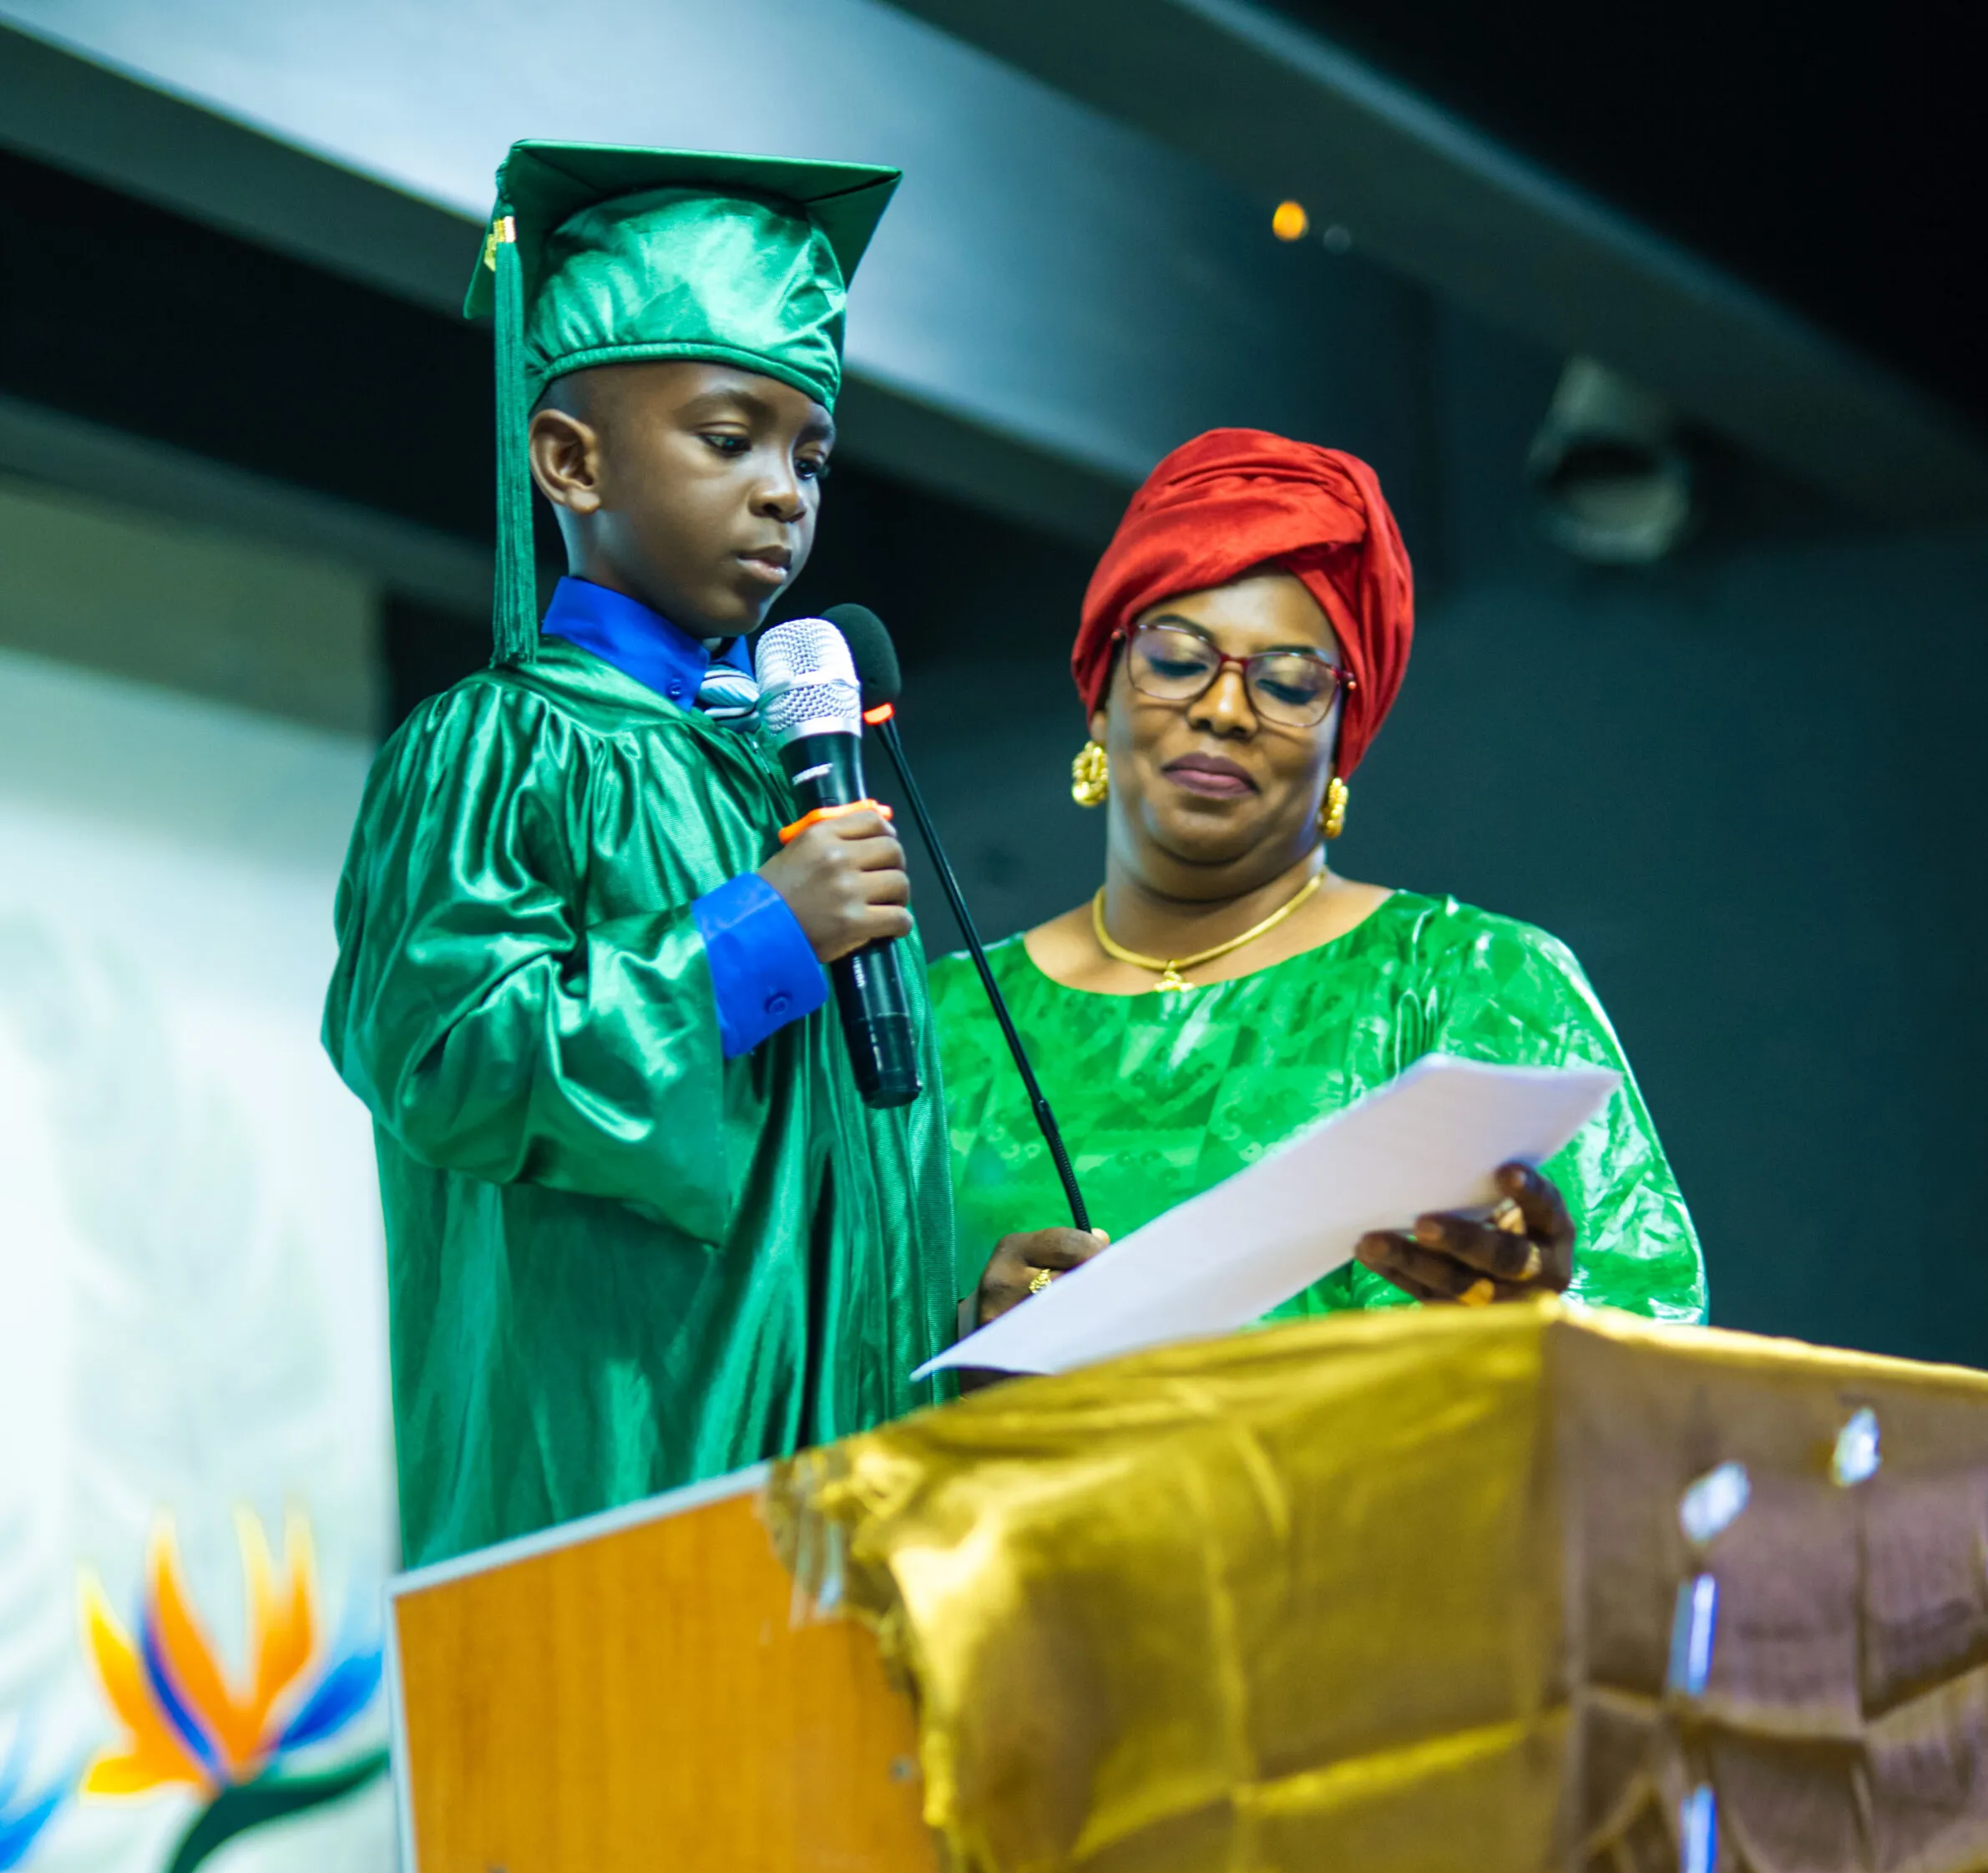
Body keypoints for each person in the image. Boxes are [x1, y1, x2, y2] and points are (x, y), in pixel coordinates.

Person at [324, 142, 1088, 1566]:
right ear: (569, 458)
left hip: (841, 1529)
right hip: (610, 1504)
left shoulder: (792, 782)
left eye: (809, 452)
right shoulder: (497, 747)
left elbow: (800, 1201)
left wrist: (952, 1311)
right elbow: (448, 1059)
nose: (785, 491)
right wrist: (755, 937)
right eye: (728, 438)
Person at [933, 428, 1706, 1328]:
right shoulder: (928, 1025)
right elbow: (787, 1375)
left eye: (1289, 683)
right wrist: (958, 1344)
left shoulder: (1470, 987)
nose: (1221, 709)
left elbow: (1651, 1342)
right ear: (1100, 693)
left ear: (1344, 734)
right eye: (1177, 661)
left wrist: (1542, 1324)